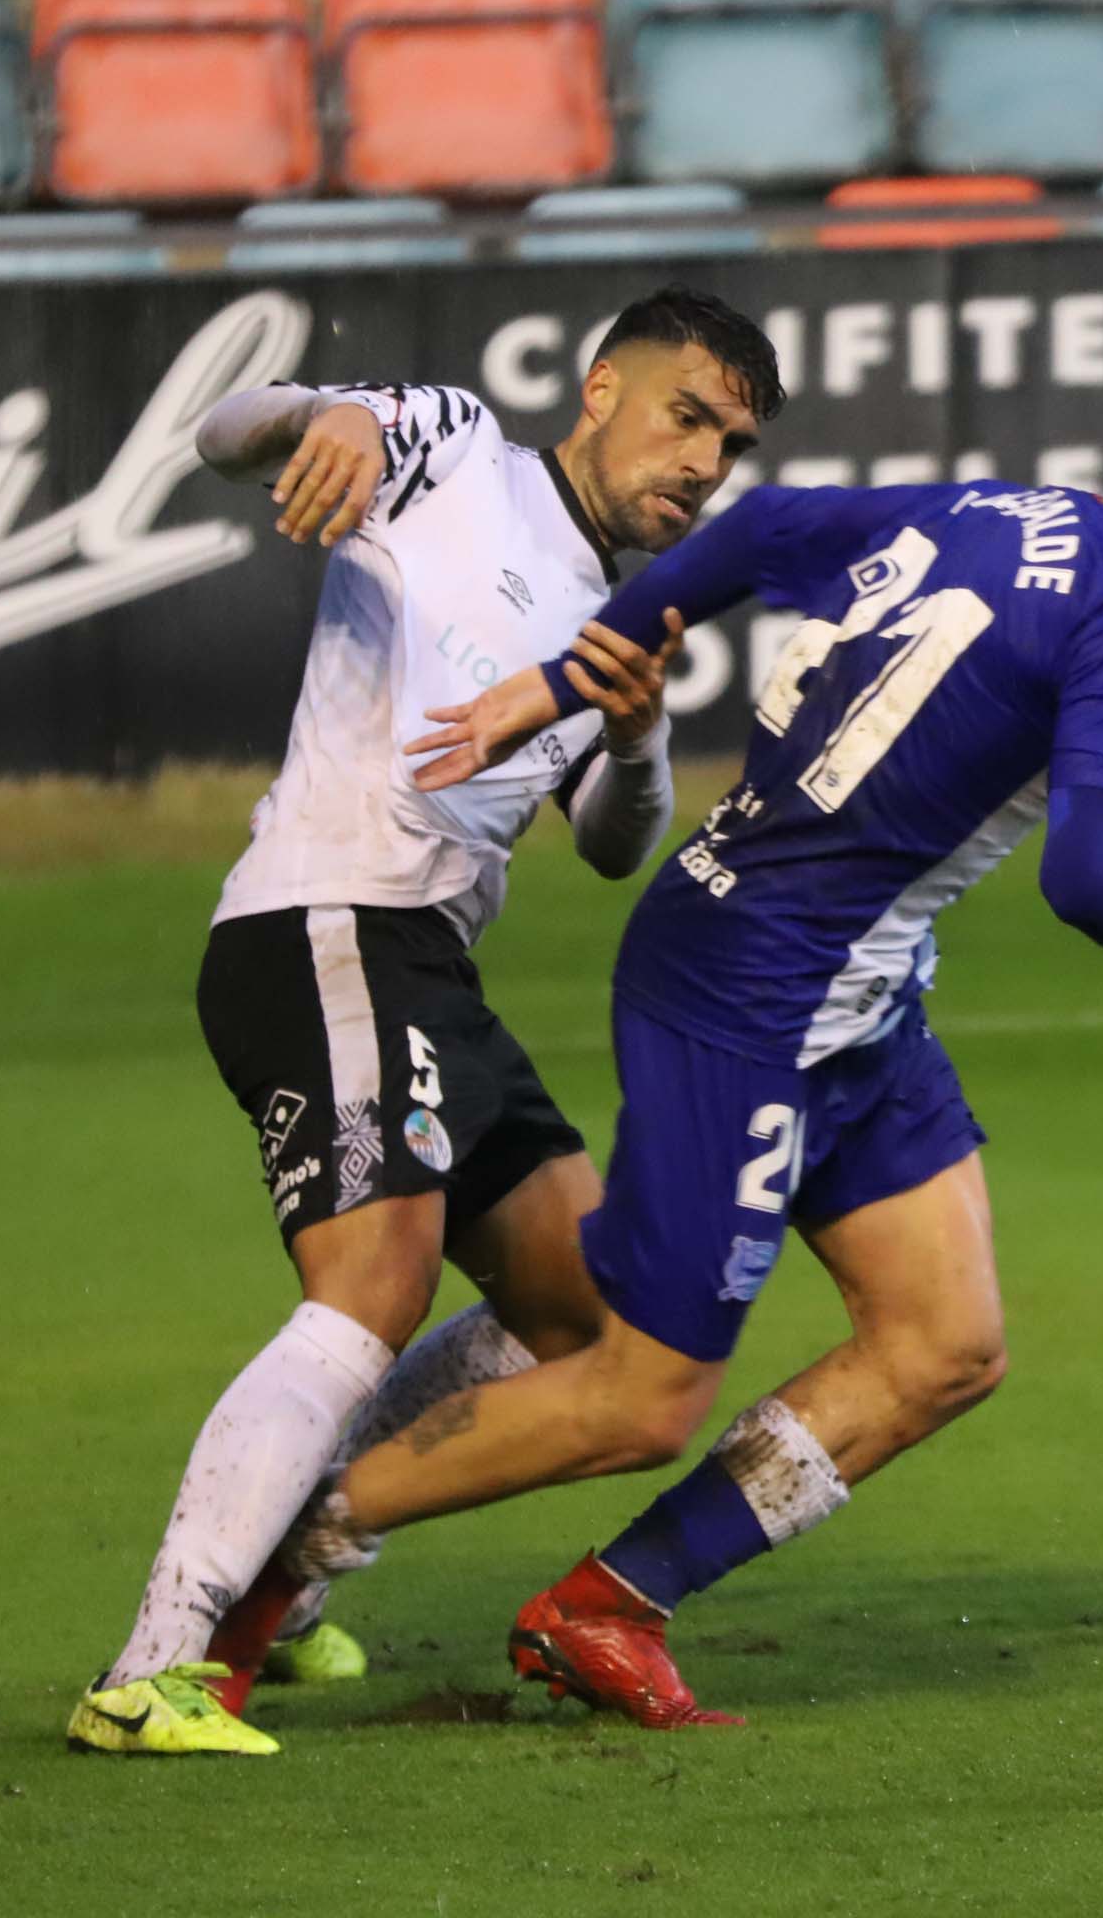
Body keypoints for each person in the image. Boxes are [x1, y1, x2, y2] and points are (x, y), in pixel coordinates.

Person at [262, 363, 1103, 1729]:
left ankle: (608, 1606)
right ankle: (282, 1544)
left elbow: (762, 527)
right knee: (640, 1396)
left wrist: (567, 675)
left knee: (945, 1343)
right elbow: (1093, 879)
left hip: (852, 1000)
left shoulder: (1015, 512)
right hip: (752, 994)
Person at [67, 289, 786, 1756]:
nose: (706, 462)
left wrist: (641, 736)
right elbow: (226, 432)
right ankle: (153, 1667)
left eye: (733, 442)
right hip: (324, 924)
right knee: (369, 1289)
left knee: (585, 1310)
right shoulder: (461, 454)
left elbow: (607, 842)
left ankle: (299, 1551)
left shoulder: (627, 613)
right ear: (599, 391)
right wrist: (315, 417)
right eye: (688, 416)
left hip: (430, 969)